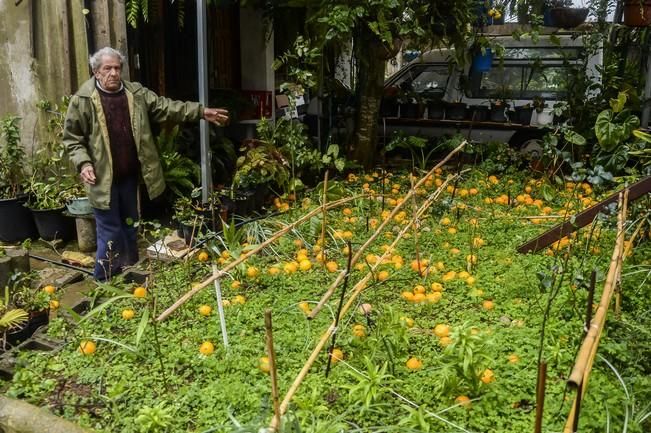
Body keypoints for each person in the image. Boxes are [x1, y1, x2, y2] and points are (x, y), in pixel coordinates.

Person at [63, 47, 229, 281]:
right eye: (107, 68)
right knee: (110, 232)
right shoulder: (82, 101)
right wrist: (84, 163)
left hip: (129, 176)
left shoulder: (135, 94)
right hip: (102, 179)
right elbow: (73, 139)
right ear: (96, 72)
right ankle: (104, 280)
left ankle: (131, 270)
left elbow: (167, 107)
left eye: (117, 68)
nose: (113, 73)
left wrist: (201, 112)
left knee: (131, 225)